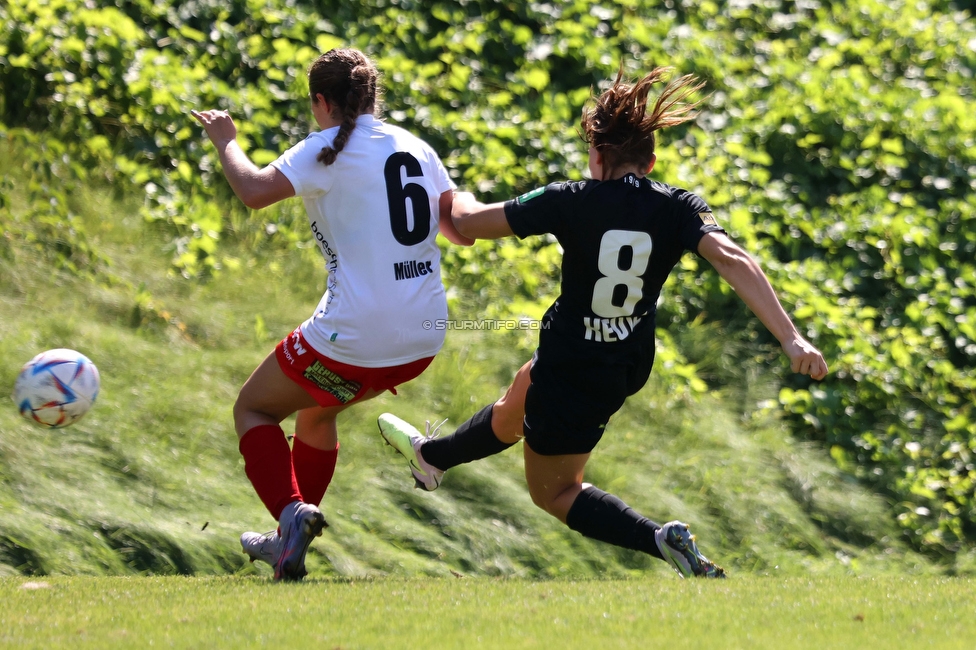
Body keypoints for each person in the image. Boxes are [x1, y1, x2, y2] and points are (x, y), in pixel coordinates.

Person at [377, 66, 828, 579]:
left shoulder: (569, 199)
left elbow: (469, 223)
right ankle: (433, 458)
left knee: (555, 491)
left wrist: (447, 192)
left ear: (596, 157)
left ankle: (659, 539)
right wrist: (792, 339)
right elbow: (732, 259)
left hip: (574, 364)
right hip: (626, 359)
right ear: (651, 162)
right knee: (519, 395)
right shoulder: (679, 206)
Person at [192, 48, 472, 581]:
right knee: (317, 410)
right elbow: (456, 229)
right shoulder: (415, 146)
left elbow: (253, 192)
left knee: (252, 409)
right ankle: (288, 545)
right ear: (372, 96)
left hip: (358, 338)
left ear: (321, 102)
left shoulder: (323, 148)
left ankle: (289, 519)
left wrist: (226, 142)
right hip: (422, 339)